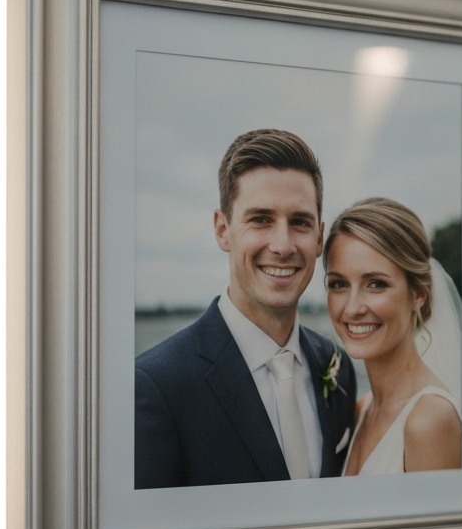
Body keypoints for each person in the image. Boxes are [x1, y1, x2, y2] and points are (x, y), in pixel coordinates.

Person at [135, 129, 357, 488]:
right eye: (261, 220)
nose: (283, 246)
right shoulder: (156, 386)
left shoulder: (338, 368)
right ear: (223, 230)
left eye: (299, 222)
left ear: (319, 238)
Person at [323, 198, 462, 475]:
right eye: (339, 284)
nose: (352, 308)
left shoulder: (429, 421)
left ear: (418, 295)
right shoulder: (363, 409)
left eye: (376, 284)